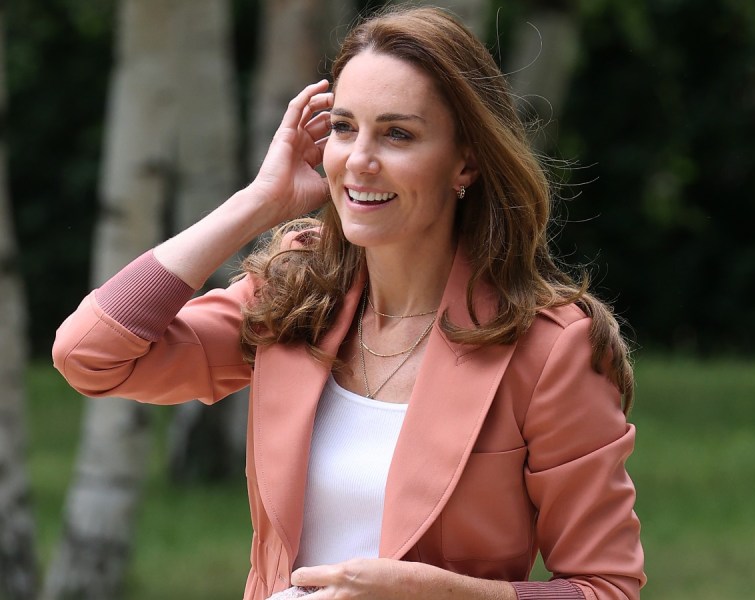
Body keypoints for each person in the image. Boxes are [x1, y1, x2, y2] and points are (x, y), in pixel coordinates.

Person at [53, 5, 645, 600]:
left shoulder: (551, 347)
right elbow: (90, 354)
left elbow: (608, 588)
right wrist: (257, 204)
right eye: (343, 127)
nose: (359, 159)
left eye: (397, 134)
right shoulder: (294, 294)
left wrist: (437, 594)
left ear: (465, 161)